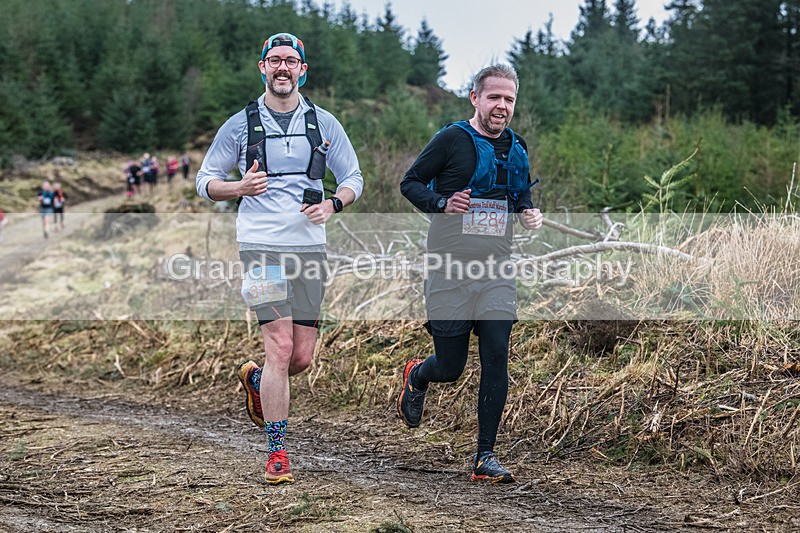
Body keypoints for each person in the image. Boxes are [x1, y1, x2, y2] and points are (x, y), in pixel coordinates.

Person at [196, 32, 363, 485]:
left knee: (301, 358)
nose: (283, 68)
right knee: (281, 346)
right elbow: (205, 180)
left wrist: (333, 205)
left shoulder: (324, 123)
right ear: (262, 68)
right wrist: (238, 188)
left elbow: (352, 177)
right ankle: (277, 454)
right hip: (261, 246)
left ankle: (257, 384)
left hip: (310, 248)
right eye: (275, 61)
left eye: (291, 61)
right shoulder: (240, 124)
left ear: (303, 70)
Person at [398, 64, 543, 483]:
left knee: (497, 352)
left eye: (509, 99)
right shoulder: (452, 140)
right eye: (494, 97)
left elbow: (520, 198)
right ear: (475, 98)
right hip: (448, 267)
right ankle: (418, 374)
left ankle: (485, 456)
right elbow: (410, 183)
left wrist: (528, 213)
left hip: (496, 268)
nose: (502, 106)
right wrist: (442, 204)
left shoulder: (517, 147)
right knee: (451, 365)